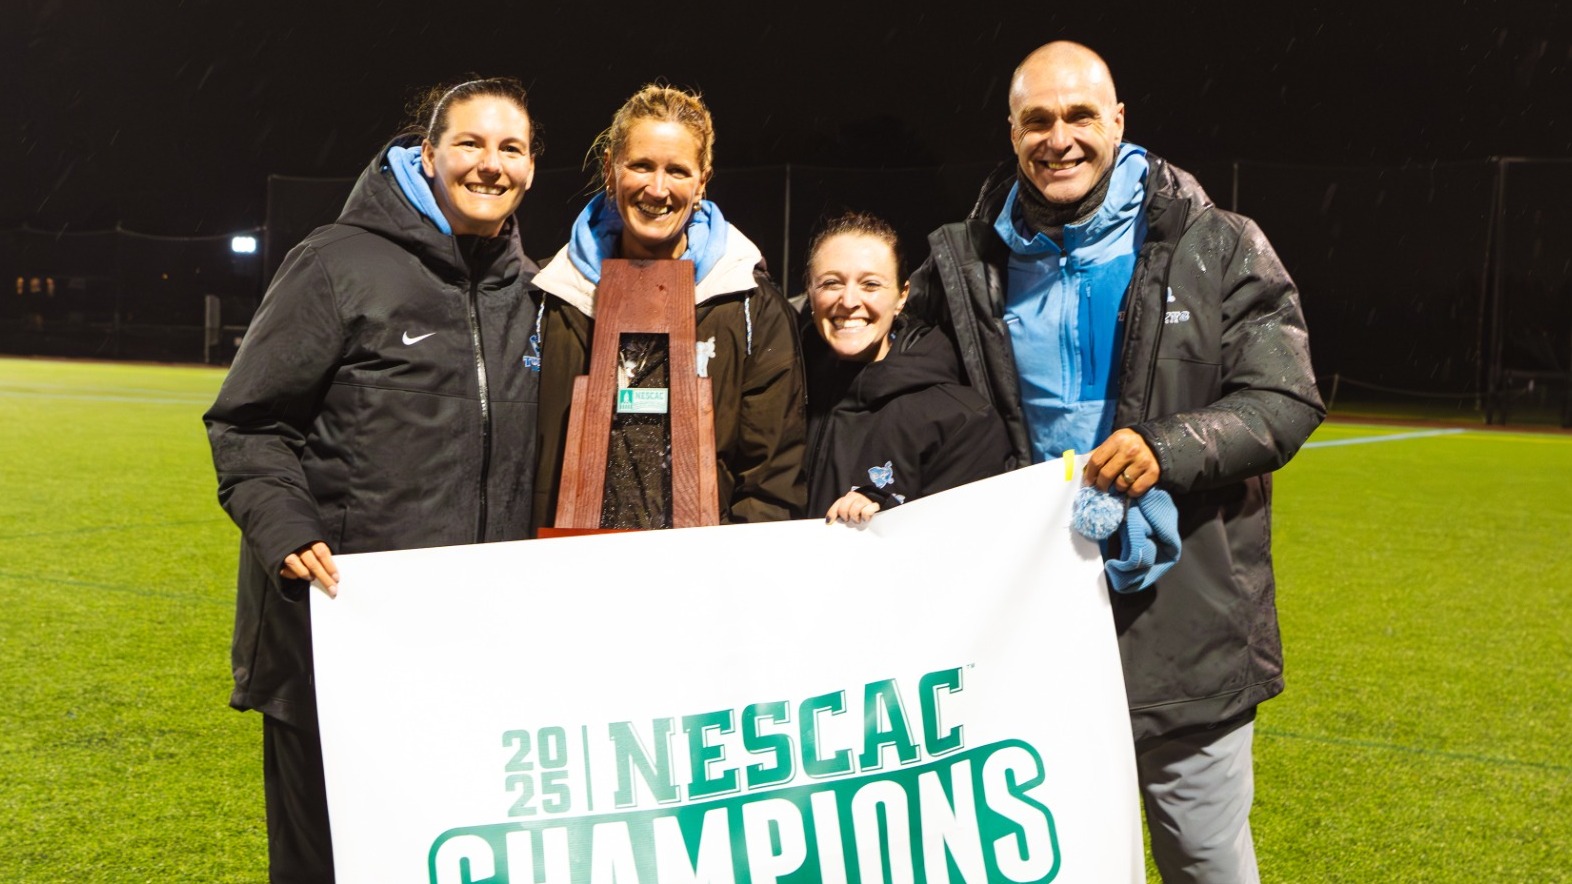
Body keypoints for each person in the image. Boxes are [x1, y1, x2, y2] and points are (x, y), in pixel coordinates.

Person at [907, 42, 1325, 882]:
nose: (1058, 138)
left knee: (1202, 858)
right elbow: (894, 380)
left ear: (1119, 121)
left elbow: (1283, 398)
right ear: (1012, 132)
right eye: (1037, 120)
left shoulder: (1216, 244)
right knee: (1046, 862)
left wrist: (1165, 448)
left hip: (1184, 611)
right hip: (1025, 614)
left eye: (1080, 116)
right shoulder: (964, 264)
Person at [203, 77, 542, 883]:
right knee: (327, 865)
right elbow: (249, 422)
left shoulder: (529, 290)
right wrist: (287, 528)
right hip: (336, 633)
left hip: (461, 649)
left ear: (531, 168)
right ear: (426, 155)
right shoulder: (336, 263)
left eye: (511, 148)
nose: (490, 164)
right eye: (470, 143)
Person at [532, 84, 805, 529]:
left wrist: (730, 566)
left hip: (701, 566)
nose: (657, 189)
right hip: (571, 563)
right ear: (611, 169)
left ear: (702, 181)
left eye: (677, 171)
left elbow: (771, 480)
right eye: (641, 165)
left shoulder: (750, 307)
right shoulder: (551, 296)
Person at [801, 210, 1011, 524]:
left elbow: (966, 538)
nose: (849, 301)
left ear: (902, 296)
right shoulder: (790, 393)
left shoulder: (959, 420)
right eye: (831, 283)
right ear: (809, 290)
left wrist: (891, 518)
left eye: (870, 285)